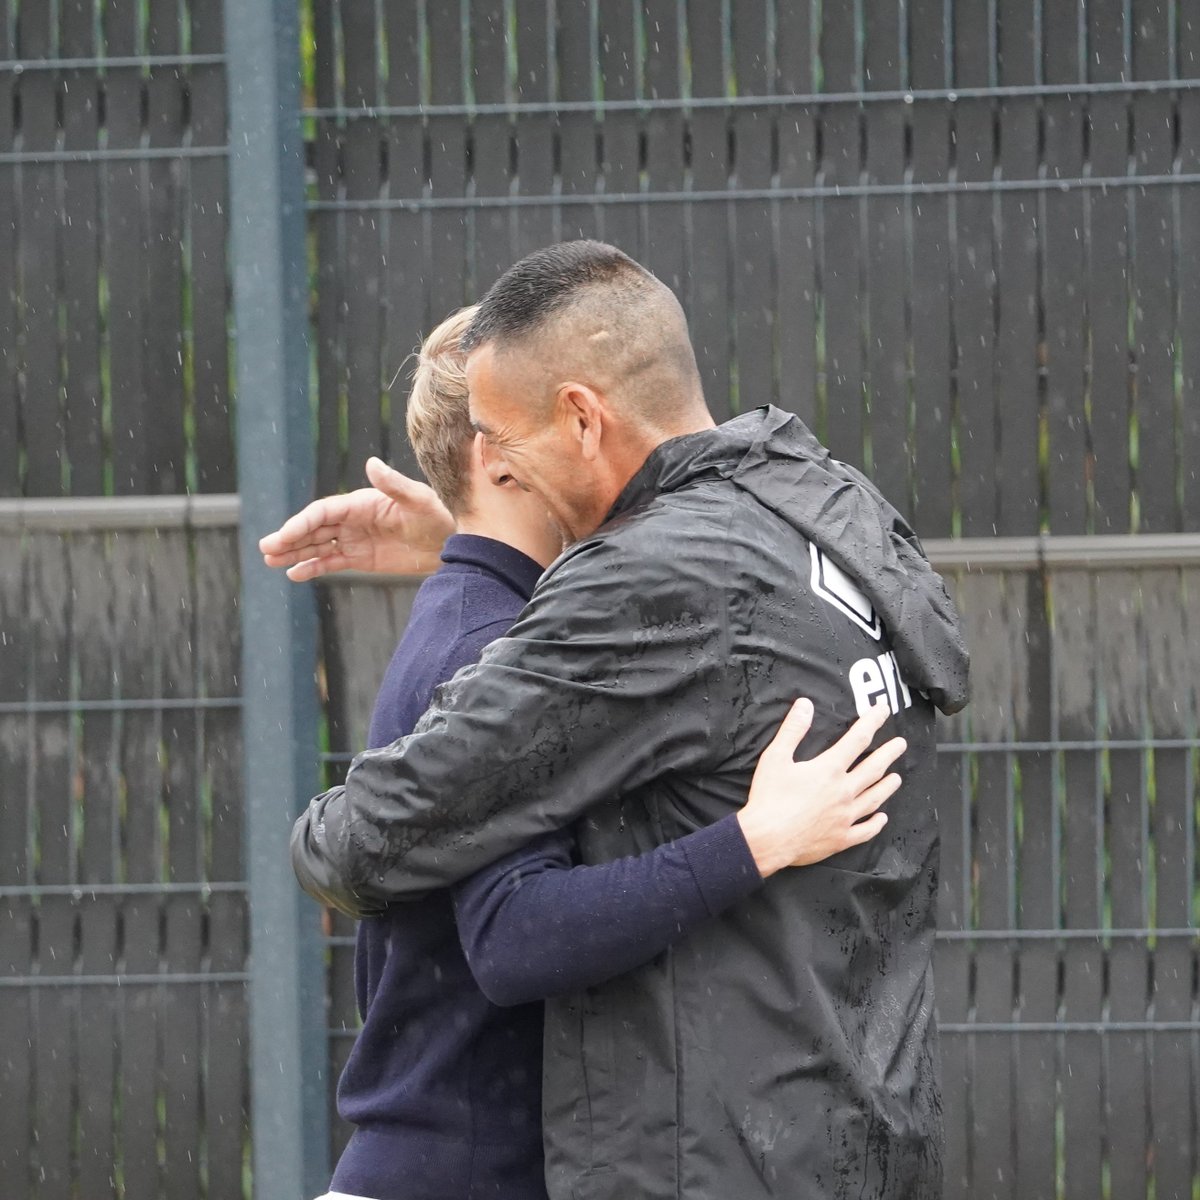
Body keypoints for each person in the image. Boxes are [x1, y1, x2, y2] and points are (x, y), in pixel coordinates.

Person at [275, 241, 969, 1199]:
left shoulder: (645, 585)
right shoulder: (824, 513)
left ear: (580, 419)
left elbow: (354, 848)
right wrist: (468, 548)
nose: (497, 468)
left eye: (504, 445)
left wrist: (312, 837)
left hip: (703, 1162)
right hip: (851, 1140)